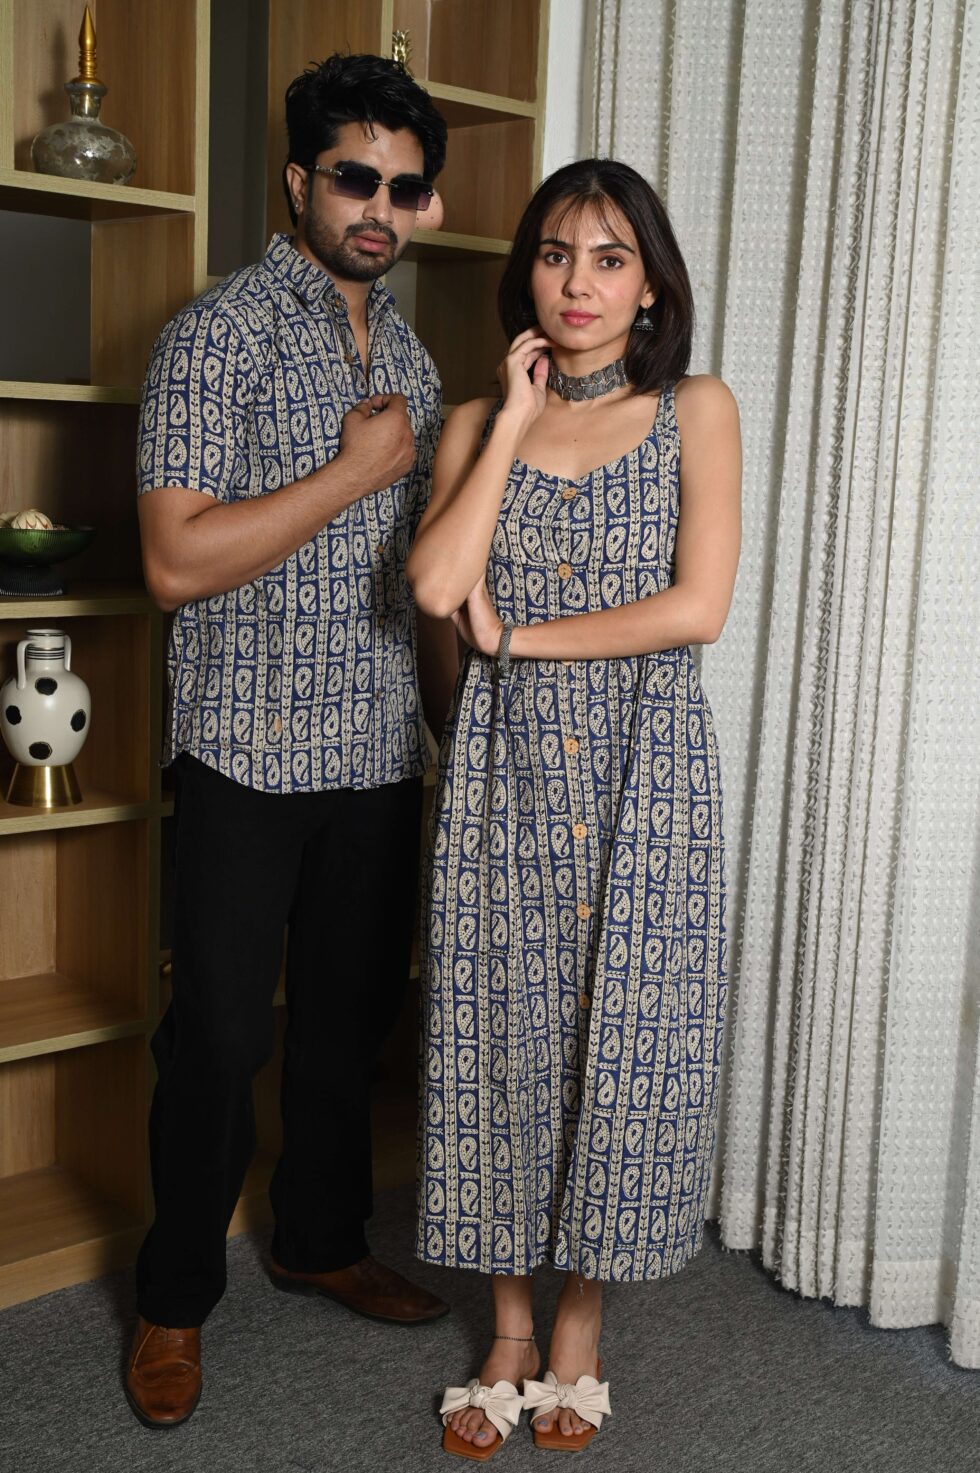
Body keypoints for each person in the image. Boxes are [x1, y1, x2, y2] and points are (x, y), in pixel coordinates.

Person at [127, 53, 458, 1429]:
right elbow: (174, 561)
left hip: (378, 754)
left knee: (345, 1030)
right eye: (354, 177)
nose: (379, 206)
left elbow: (421, 581)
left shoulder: (420, 364)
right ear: (299, 182)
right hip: (243, 751)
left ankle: (320, 1239)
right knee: (215, 1038)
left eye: (405, 186)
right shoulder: (215, 335)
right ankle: (172, 1298)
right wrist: (353, 470)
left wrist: (452, 731)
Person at [407, 158, 741, 1456]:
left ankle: (581, 1323)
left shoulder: (695, 410)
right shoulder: (472, 424)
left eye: (610, 258)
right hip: (505, 775)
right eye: (556, 254)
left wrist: (520, 639)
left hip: (645, 772)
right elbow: (437, 584)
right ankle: (507, 1326)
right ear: (527, 274)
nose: (580, 282)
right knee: (499, 1032)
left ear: (650, 283)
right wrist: (509, 419)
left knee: (625, 1036)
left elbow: (696, 608)